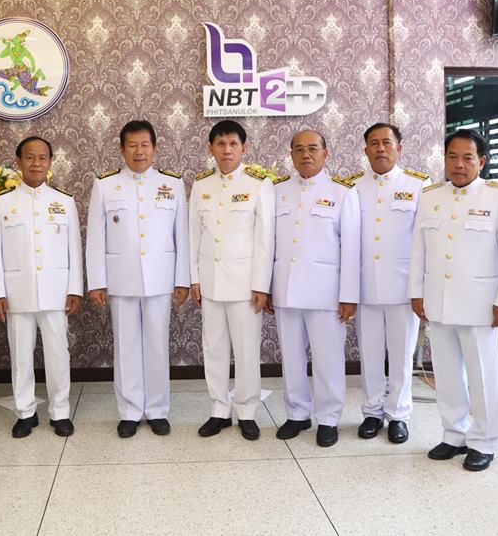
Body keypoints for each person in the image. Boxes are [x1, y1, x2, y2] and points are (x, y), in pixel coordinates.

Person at [410, 128, 498, 472]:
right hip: (439, 301)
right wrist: (417, 291)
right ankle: (453, 435)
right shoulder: (430, 196)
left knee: (483, 376)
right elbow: (418, 249)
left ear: (482, 161)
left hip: (481, 304)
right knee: (446, 375)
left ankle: (485, 441)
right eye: (452, 157)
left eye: (467, 157)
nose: (458, 164)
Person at [86, 120, 189, 438]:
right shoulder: (105, 185)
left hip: (160, 278)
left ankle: (157, 410)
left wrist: (182, 279)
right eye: (132, 145)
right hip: (121, 279)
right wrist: (97, 281)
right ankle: (130, 411)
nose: (139, 151)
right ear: (122, 149)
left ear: (154, 149)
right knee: (126, 346)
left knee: (157, 345)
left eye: (145, 145)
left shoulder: (172, 184)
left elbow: (182, 235)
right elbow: (95, 236)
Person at [0, 136, 83, 438]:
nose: (36, 163)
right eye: (29, 157)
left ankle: (60, 411)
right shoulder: (1, 203)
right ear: (18, 162)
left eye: (42, 157)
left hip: (56, 291)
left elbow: (74, 249)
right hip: (17, 292)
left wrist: (75, 288)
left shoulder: (64, 201)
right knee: (21, 356)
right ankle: (25, 412)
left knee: (58, 354)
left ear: (50, 162)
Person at [269, 130, 360, 448]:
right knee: (291, 357)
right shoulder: (277, 191)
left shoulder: (342, 193)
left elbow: (351, 248)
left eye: (312, 149)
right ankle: (297, 414)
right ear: (291, 155)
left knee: (328, 359)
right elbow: (268, 243)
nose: (305, 155)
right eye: (299, 150)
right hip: (286, 289)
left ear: (325, 153)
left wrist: (349, 295)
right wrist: (267, 288)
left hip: (326, 293)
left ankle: (329, 418)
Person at [189, 119, 274, 441]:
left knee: (246, 350)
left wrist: (261, 285)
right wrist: (194, 279)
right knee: (213, 348)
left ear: (243, 148)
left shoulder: (258, 184)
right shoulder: (201, 185)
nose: (227, 150)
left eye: (233, 144)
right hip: (210, 282)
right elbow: (194, 236)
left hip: (244, 285)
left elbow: (265, 239)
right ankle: (219, 410)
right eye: (221, 144)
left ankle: (247, 411)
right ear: (211, 148)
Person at [347, 123, 430, 444]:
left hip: (403, 287)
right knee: (369, 355)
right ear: (365, 149)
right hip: (365, 286)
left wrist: (420, 288)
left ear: (399, 147)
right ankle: (372, 412)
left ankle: (398, 415)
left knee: (401, 356)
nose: (380, 148)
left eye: (386, 142)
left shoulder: (418, 185)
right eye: (373, 143)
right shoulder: (352, 186)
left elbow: (424, 241)